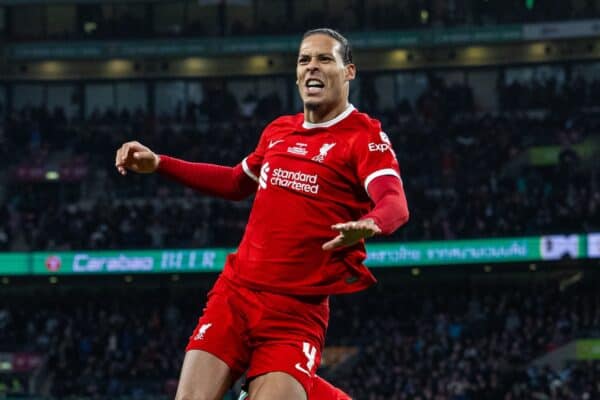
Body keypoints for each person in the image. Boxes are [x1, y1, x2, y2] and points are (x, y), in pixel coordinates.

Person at [115, 28, 409, 400]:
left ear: (349, 71)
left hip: (294, 313)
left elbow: (395, 202)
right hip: (236, 294)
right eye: (304, 60)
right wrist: (160, 163)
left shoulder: (363, 137)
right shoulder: (278, 131)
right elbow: (237, 182)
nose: (311, 67)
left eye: (324, 59)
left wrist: (371, 223)